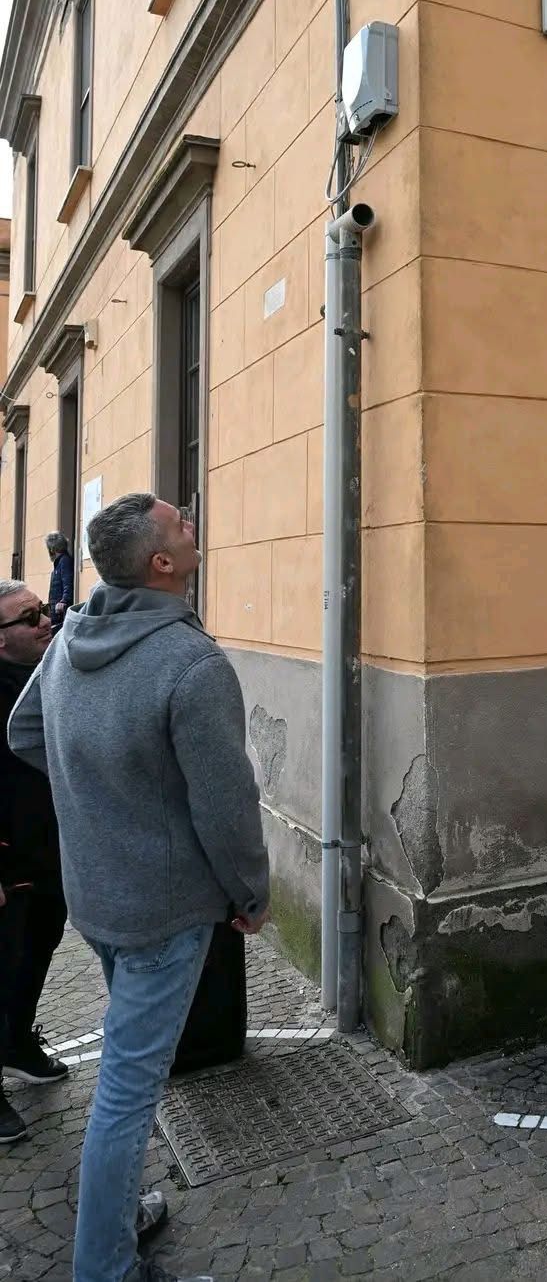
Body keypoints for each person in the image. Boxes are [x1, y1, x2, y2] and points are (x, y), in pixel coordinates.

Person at [9, 493, 270, 1282]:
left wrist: (103, 803)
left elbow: (25, 732)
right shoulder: (192, 664)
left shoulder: (73, 637)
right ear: (163, 563)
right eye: (181, 524)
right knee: (127, 1088)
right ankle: (107, 1268)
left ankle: (118, 1221)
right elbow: (226, 807)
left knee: (129, 1070)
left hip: (99, 896)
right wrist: (252, 895)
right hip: (164, 911)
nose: (194, 523)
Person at [0, 581, 66, 1146]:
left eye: (43, 610)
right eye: (29, 618)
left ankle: (17, 1041)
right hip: (5, 861)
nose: (46, 620)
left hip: (47, 852)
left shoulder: (49, 674)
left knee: (36, 951)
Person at [46, 531, 75, 630]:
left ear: (52, 548)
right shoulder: (59, 562)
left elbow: (68, 582)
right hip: (56, 609)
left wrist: (64, 600)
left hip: (60, 610)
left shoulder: (64, 561)